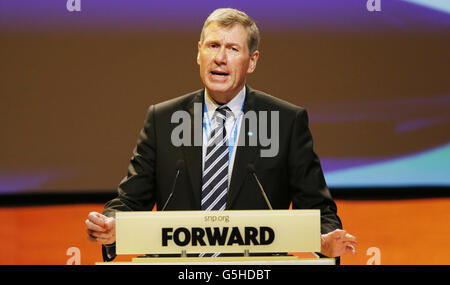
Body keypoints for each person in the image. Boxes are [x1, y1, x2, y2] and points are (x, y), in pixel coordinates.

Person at [85, 8, 357, 262]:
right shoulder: (163, 119)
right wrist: (113, 224)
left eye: (232, 48)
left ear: (252, 61)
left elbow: (318, 209)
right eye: (213, 45)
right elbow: (131, 199)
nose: (220, 58)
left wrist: (322, 240)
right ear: (199, 53)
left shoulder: (285, 121)